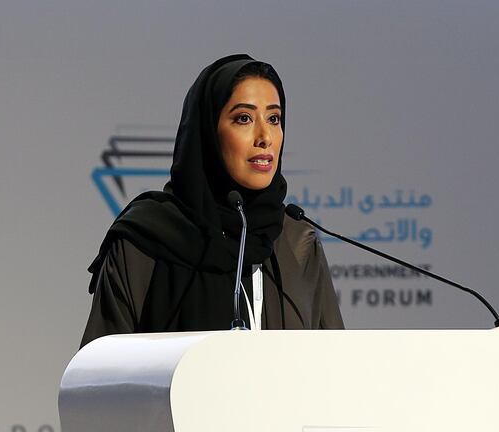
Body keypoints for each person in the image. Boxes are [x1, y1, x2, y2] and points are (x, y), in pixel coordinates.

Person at [80, 54, 343, 347]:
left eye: (274, 118)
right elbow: (98, 376)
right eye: (244, 118)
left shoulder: (297, 241)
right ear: (207, 133)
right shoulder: (143, 242)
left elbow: (335, 368)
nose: (265, 136)